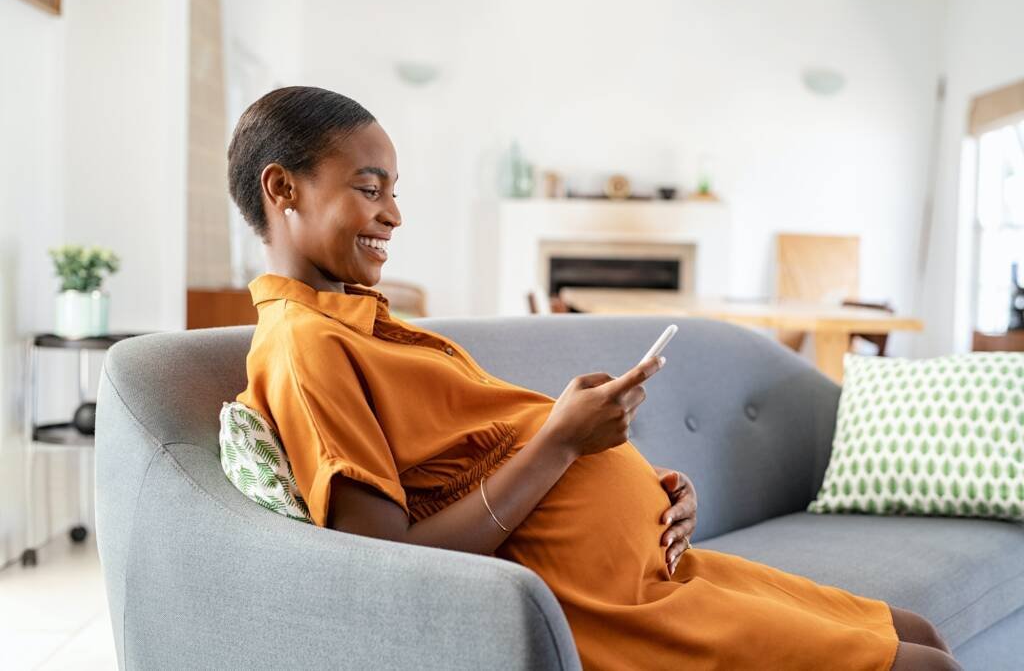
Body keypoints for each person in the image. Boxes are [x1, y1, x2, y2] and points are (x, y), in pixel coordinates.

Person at [230, 86, 959, 671]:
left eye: (394, 189)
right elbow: (385, 567)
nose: (393, 213)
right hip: (610, 612)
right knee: (920, 663)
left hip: (664, 569)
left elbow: (475, 459)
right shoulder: (306, 348)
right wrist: (562, 445)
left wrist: (654, 490)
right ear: (283, 189)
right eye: (369, 188)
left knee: (916, 628)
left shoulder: (366, 321)